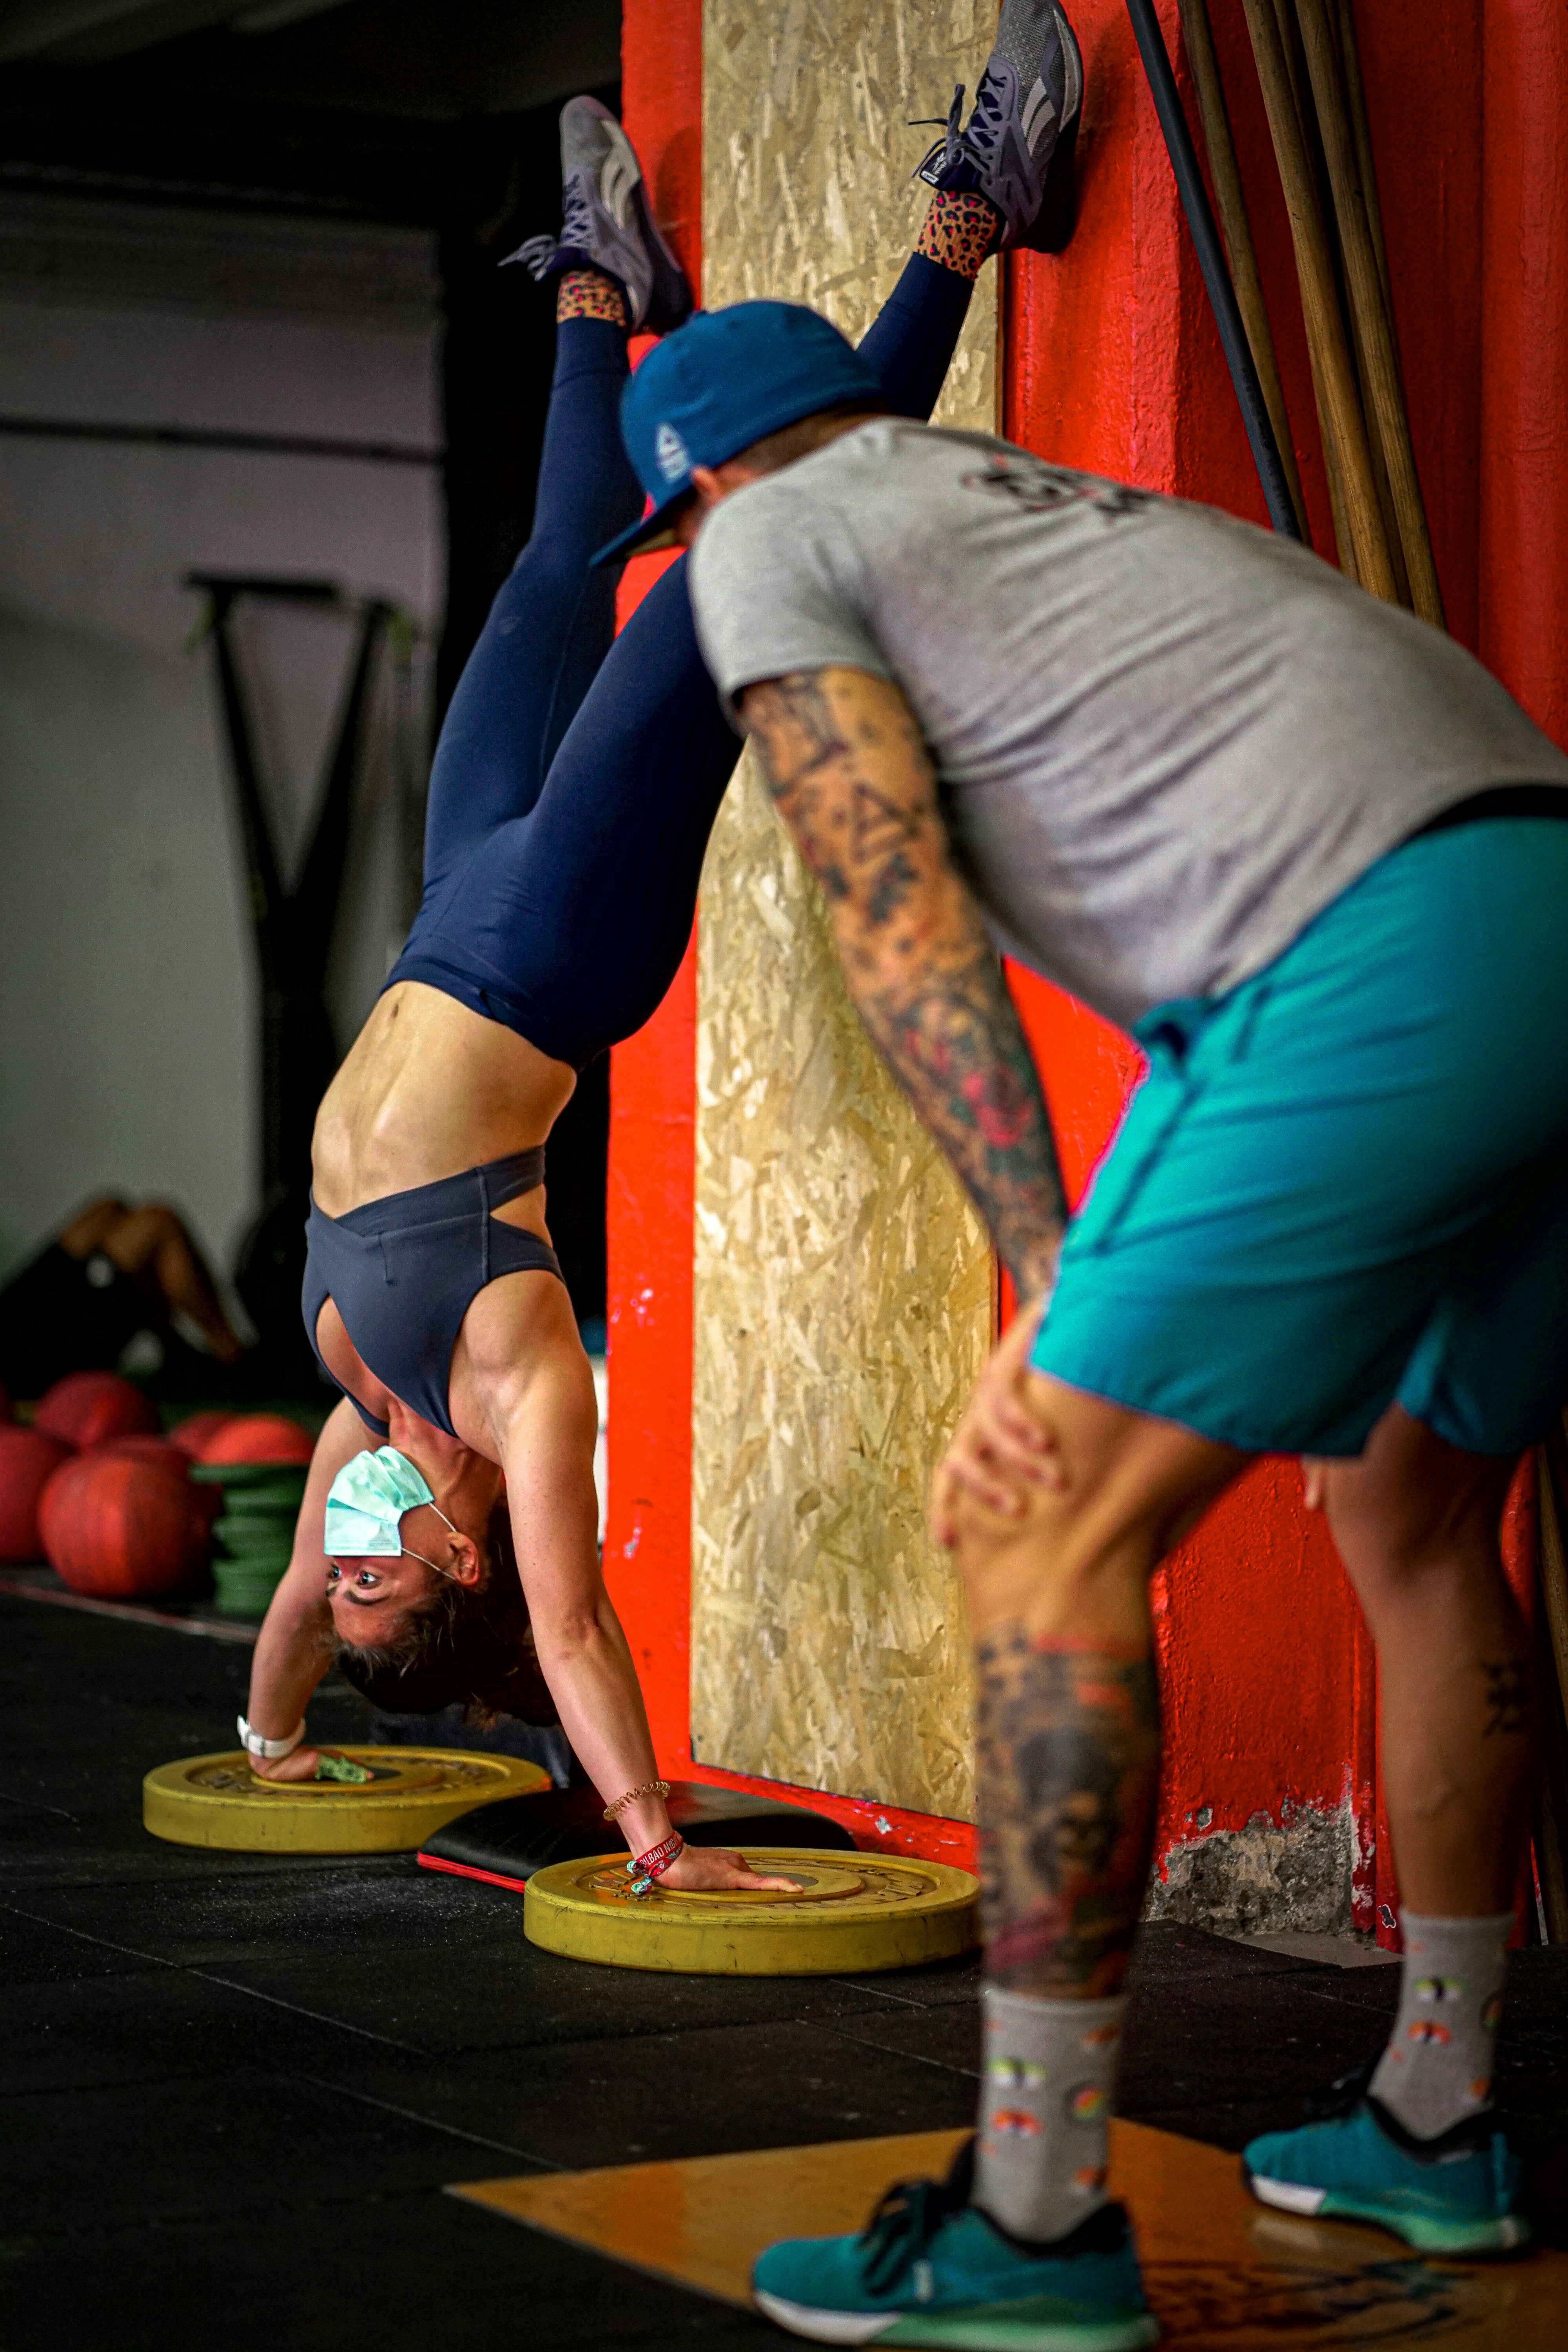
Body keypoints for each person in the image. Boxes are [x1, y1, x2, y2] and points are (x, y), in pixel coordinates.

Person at [608, 8, 1568, 2334]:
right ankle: (1441, 2116)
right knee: (1418, 1509)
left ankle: (1034, 2222)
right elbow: (1205, 964)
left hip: (1372, 961)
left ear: (699, 488)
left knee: (1036, 1522)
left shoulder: (771, 545)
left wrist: (1037, 1276)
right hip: (1527, 882)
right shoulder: (1044, 514)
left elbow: (888, 902)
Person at [236, 83, 1043, 1896]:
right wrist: (650, 1835)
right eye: (379, 1567)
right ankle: (970, 219)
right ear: (460, 1561)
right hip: (558, 950)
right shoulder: (518, 1402)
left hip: (452, 905)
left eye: (340, 1570)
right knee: (722, 574)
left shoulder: (360, 1415)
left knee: (542, 581)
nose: (340, 1548)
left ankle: (600, 287)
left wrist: (277, 1738)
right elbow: (579, 1632)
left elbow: (287, 1622)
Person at [0, 1196, 245, 1399]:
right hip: (30, 1358)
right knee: (159, 1224)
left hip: (11, 1318)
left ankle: (176, 1352)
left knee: (110, 1210)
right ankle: (232, 1359)